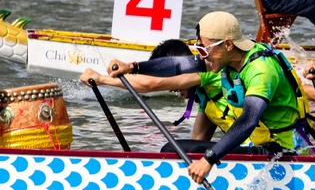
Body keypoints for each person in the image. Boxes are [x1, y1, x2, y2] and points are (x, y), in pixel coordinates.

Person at [106, 12, 315, 184]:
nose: (201, 56)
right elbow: (178, 64)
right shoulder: (227, 59)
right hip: (261, 144)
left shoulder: (261, 70)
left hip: (283, 152)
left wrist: (209, 159)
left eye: (204, 49)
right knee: (174, 148)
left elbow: (248, 120)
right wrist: (132, 67)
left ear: (228, 44)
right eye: (199, 49)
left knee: (174, 150)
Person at [80, 39, 278, 153]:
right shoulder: (206, 96)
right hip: (251, 150)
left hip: (269, 151)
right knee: (180, 148)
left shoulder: (209, 72)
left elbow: (152, 84)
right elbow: (198, 138)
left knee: (170, 149)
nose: (171, 89)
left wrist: (102, 79)